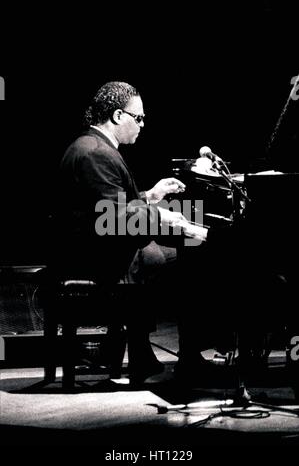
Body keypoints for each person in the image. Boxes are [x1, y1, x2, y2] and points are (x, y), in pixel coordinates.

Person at [53, 81, 208, 385]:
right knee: (197, 257)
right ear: (116, 115)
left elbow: (106, 206)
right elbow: (112, 218)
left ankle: (144, 354)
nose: (142, 125)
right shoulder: (96, 153)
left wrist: (151, 196)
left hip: (98, 249)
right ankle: (189, 358)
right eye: (138, 118)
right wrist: (166, 216)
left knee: (187, 238)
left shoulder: (89, 146)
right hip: (102, 260)